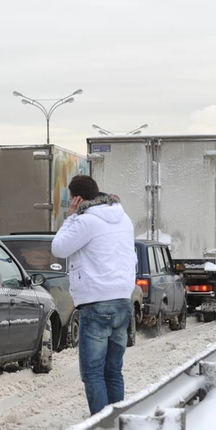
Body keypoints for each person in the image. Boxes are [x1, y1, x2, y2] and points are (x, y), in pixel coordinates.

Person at [51, 175, 136, 415]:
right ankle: (118, 421)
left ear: (77, 198)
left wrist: (70, 218)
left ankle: (101, 428)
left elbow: (59, 248)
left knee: (93, 372)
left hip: (97, 303)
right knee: (113, 370)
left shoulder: (86, 221)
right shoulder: (124, 218)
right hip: (122, 300)